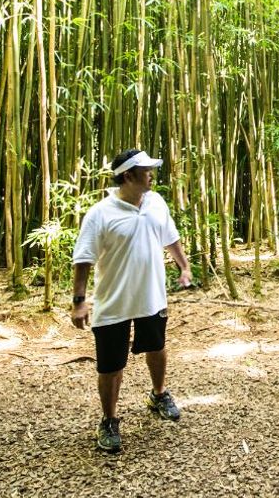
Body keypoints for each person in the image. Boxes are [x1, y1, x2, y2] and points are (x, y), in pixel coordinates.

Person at [71, 149, 193, 453]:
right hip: (113, 302)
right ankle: (109, 420)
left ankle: (158, 394)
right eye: (146, 170)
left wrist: (184, 266)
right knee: (110, 365)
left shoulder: (156, 202)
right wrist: (79, 301)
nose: (151, 174)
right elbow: (83, 259)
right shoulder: (100, 213)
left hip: (151, 296)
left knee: (157, 347)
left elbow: (170, 237)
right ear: (128, 176)